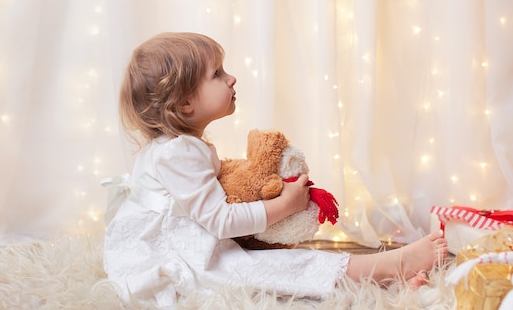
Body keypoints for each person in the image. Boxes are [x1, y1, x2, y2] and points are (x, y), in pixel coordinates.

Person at [102, 32, 448, 307]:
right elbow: (218, 219)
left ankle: (381, 279)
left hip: (180, 238)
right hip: (167, 251)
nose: (232, 78)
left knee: (269, 267)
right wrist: (286, 205)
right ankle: (390, 268)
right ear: (185, 103)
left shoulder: (180, 146)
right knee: (266, 270)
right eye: (217, 74)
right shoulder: (177, 152)